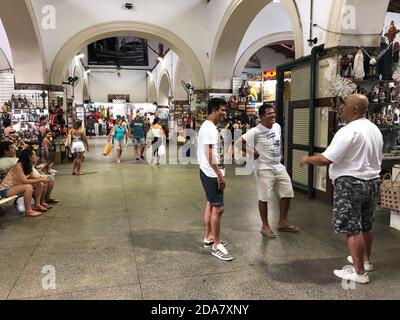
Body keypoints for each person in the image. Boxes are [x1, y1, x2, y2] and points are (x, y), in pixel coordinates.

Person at [300, 94, 383, 284]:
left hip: (350, 183)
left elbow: (326, 159)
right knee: (366, 225)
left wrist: (307, 159)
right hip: (371, 182)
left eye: (345, 104)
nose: (341, 108)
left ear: (354, 109)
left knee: (352, 228)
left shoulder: (348, 131)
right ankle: (366, 261)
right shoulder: (374, 129)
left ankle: (359, 273)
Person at [237, 104, 298, 239]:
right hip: (264, 168)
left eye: (274, 113)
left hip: (278, 166)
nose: (273, 115)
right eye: (270, 113)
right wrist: (252, 152)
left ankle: (283, 222)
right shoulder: (255, 131)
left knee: (287, 192)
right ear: (262, 116)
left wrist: (281, 152)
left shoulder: (277, 126)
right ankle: (265, 226)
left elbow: (279, 139)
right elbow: (238, 142)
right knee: (264, 197)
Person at [198, 98, 232, 261]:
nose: (224, 113)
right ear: (213, 110)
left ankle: (208, 237)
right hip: (212, 174)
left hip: (207, 171)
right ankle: (216, 245)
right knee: (218, 208)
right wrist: (219, 175)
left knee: (211, 205)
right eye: (222, 110)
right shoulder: (210, 129)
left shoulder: (207, 127)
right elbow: (209, 153)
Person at [0, 148, 51, 217]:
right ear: (29, 157)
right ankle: (28, 211)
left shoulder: (27, 166)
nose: (36, 157)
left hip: (15, 187)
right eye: (34, 155)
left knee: (39, 184)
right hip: (5, 189)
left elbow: (34, 178)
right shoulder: (18, 166)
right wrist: (41, 179)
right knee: (28, 187)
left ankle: (37, 205)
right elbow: (25, 181)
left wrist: (45, 178)